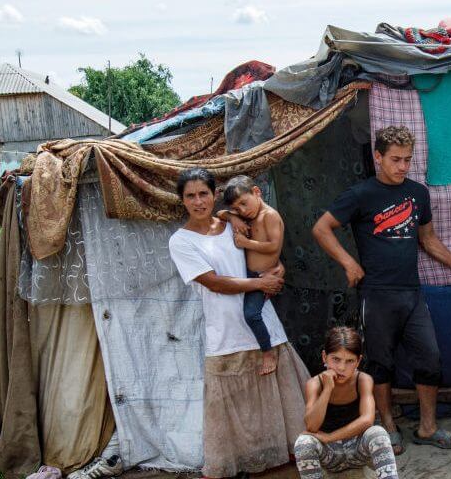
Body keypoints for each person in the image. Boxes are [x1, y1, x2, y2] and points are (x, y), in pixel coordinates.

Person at [312, 126, 451, 454]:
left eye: (407, 160)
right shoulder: (361, 194)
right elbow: (321, 228)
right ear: (378, 157)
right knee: (380, 363)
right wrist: (348, 262)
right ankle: (388, 426)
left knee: (430, 358)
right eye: (396, 159)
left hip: (412, 293)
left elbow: (428, 240)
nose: (403, 166)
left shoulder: (418, 194)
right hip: (376, 294)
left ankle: (428, 428)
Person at [167, 167, 310, 478]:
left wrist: (277, 271)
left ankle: (285, 461)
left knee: (277, 400)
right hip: (226, 331)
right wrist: (260, 284)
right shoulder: (181, 241)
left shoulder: (237, 225)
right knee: (236, 408)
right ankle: (248, 464)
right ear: (182, 200)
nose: (198, 201)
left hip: (263, 324)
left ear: (214, 195)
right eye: (190, 196)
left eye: (203, 193)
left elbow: (266, 255)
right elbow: (214, 282)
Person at [293, 327, 398, 479]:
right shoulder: (315, 384)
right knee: (303, 443)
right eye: (336, 359)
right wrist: (327, 389)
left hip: (358, 450)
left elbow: (367, 420)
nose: (342, 368)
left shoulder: (363, 380)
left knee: (378, 433)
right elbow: (311, 426)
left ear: (358, 361)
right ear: (324, 357)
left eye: (350, 361)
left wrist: (330, 436)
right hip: (329, 454)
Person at [218, 175, 285, 375]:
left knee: (251, 314)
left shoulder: (269, 215)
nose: (243, 210)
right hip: (247, 274)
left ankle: (267, 352)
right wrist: (233, 217)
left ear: (256, 192)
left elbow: (274, 246)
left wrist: (246, 243)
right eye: (237, 208)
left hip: (263, 277)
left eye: (244, 203)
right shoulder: (247, 216)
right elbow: (220, 213)